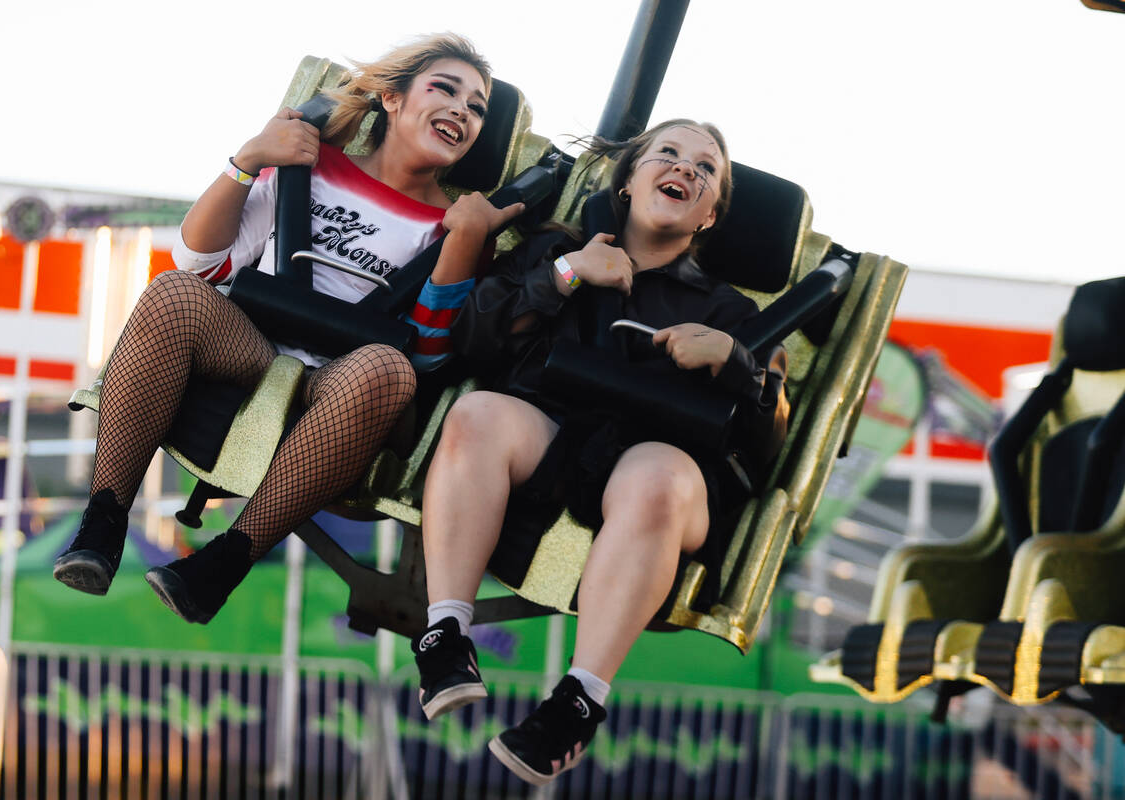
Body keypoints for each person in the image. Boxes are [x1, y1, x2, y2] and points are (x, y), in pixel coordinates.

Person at [53, 33, 523, 624]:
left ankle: (226, 561)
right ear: (393, 98)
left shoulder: (454, 224)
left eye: (477, 106)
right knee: (172, 294)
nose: (462, 109)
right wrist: (247, 160)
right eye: (446, 89)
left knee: (388, 368)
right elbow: (199, 262)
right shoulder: (308, 167)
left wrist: (468, 242)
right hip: (252, 345)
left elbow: (428, 353)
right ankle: (102, 521)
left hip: (342, 380)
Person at [409, 119, 788, 786]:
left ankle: (580, 700)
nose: (686, 169)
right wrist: (562, 275)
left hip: (659, 478)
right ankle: (444, 637)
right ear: (631, 177)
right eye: (668, 154)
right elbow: (471, 345)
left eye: (707, 170)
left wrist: (735, 363)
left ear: (709, 215)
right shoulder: (554, 251)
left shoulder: (734, 315)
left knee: (656, 475)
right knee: (475, 413)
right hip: (552, 440)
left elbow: (765, 454)